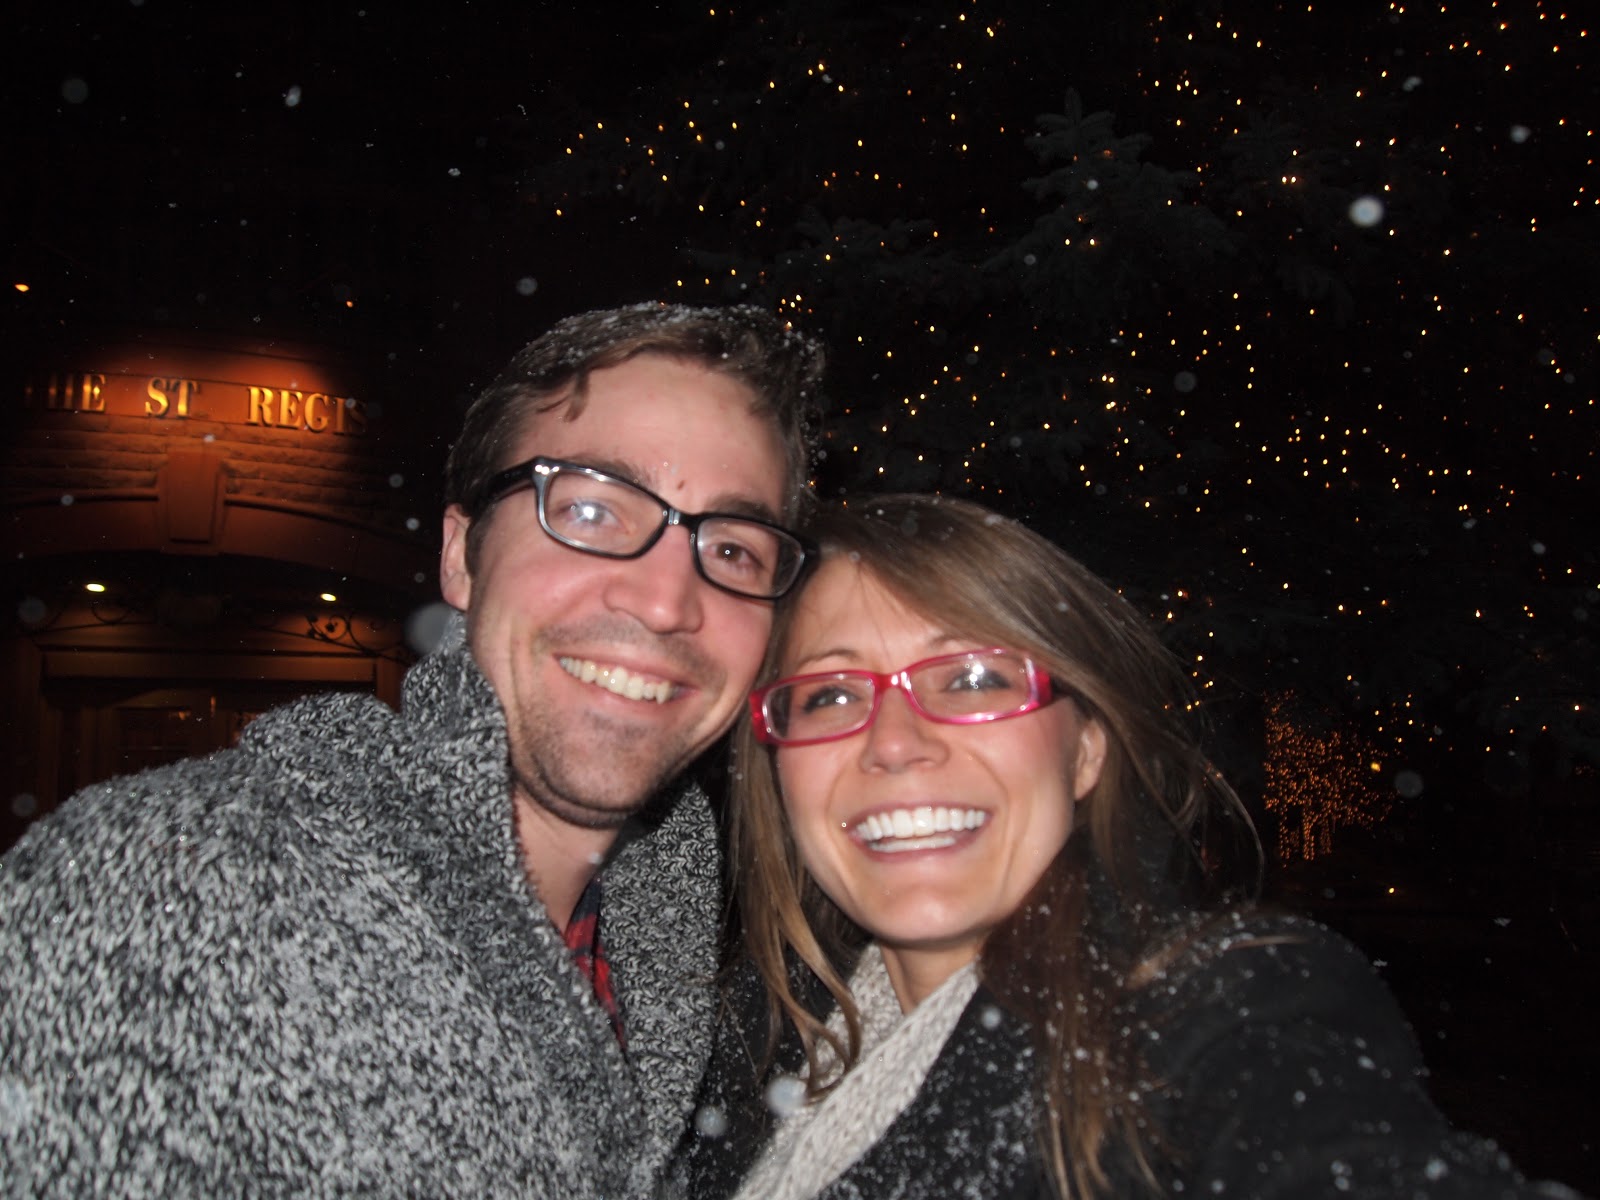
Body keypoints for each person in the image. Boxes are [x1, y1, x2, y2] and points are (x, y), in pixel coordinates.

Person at [0, 303, 824, 1197]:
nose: (668, 601)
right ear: (462, 558)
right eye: (590, 508)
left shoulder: (687, 968)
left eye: (734, 550)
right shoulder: (156, 889)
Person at [672, 493, 1570, 1200]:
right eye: (830, 695)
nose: (895, 742)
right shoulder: (750, 1036)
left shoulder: (1205, 1013)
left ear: (1086, 750)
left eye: (975, 678)